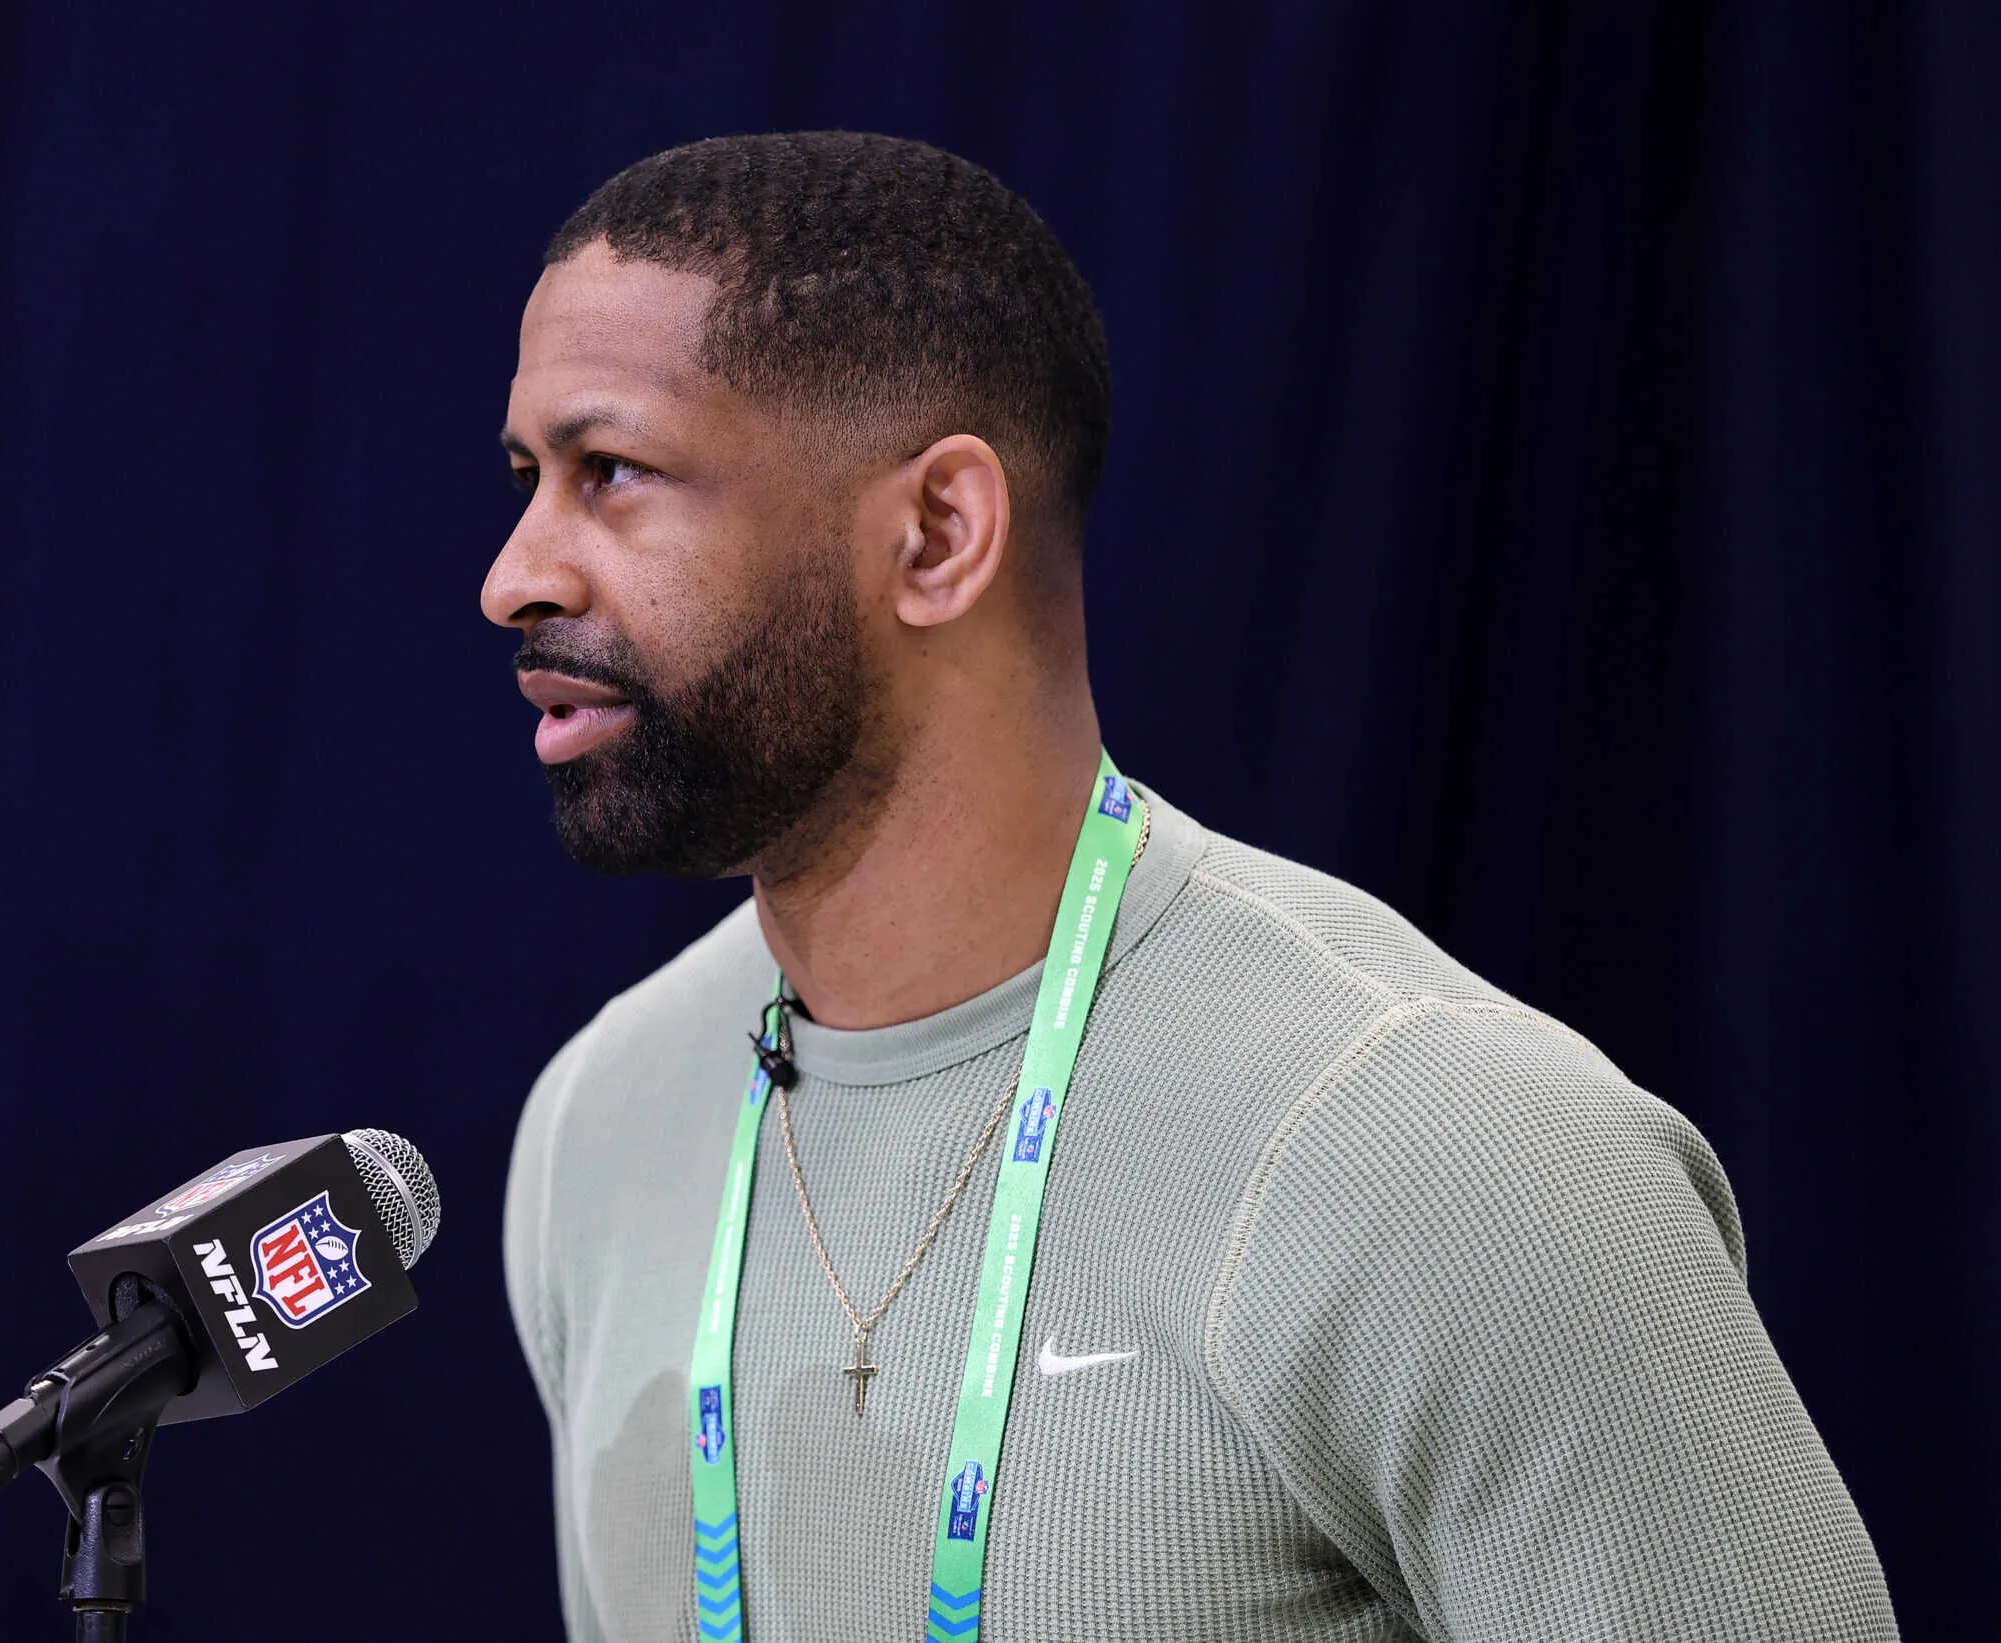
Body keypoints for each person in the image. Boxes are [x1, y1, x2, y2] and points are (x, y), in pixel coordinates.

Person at [487, 131, 1894, 1643]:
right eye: (528, 480)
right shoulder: (599, 1126)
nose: (515, 574)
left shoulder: (1457, 1155)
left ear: (940, 533)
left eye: (610, 472)